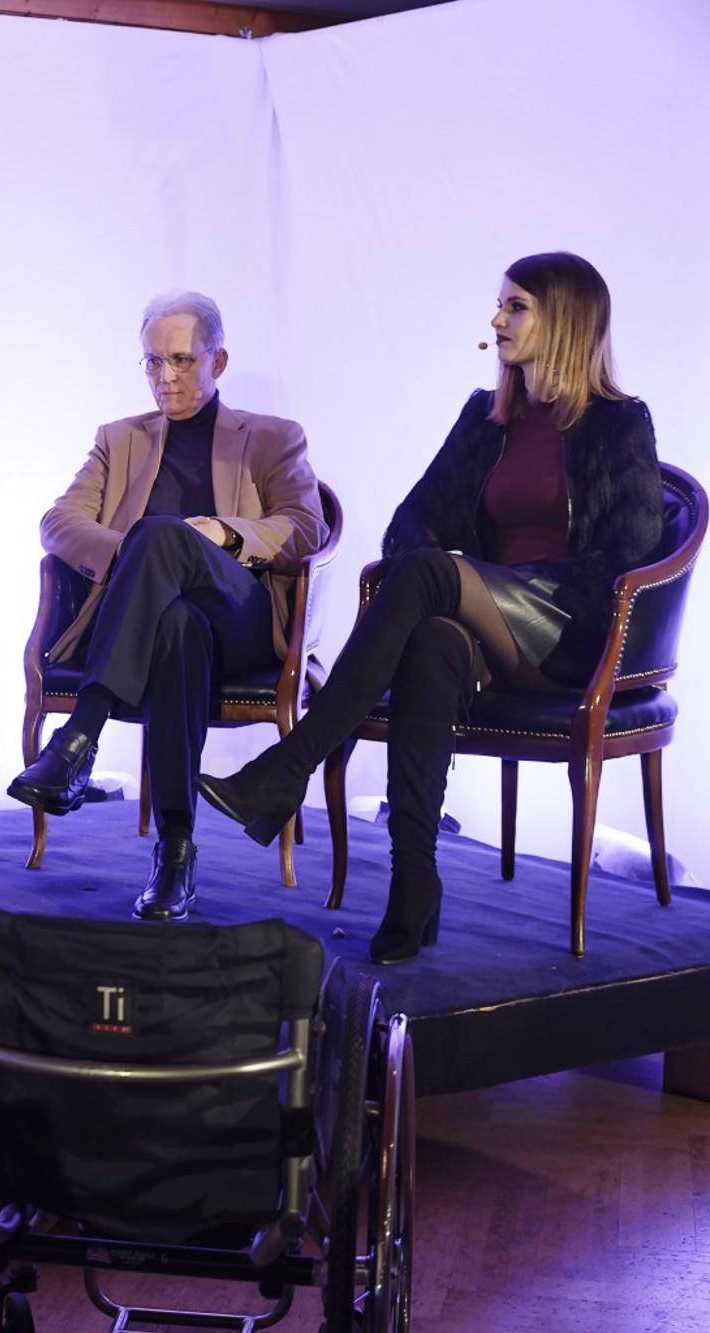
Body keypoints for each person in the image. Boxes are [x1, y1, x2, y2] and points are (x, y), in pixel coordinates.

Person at [201, 252, 663, 963]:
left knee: (428, 576)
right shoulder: (487, 416)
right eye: (499, 304)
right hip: (485, 629)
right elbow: (410, 522)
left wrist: (482, 579)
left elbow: (629, 553)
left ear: (566, 320)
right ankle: (412, 884)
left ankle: (289, 766)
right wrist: (461, 585)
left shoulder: (619, 424)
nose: (497, 319)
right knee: (431, 641)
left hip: (568, 629)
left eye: (515, 307)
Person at [8, 291, 325, 922]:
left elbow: (307, 528)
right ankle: (175, 854)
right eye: (152, 362)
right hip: (163, 629)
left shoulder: (271, 438)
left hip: (240, 615)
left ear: (218, 361)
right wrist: (140, 555)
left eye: (181, 360)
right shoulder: (119, 439)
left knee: (164, 536)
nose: (165, 376)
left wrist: (226, 534)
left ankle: (78, 738)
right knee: (175, 615)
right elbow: (59, 523)